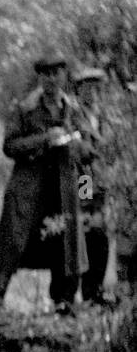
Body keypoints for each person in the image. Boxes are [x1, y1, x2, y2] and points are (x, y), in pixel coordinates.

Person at [0, 52, 94, 315]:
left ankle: (64, 302)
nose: (51, 79)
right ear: (39, 78)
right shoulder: (24, 108)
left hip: (64, 185)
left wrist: (74, 145)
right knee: (14, 237)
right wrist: (44, 139)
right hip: (28, 185)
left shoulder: (74, 108)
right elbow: (9, 146)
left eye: (56, 73)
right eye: (45, 74)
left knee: (66, 240)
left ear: (63, 76)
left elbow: (90, 149)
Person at [74, 67, 110, 304]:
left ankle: (96, 289)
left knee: (102, 230)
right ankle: (87, 291)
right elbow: (81, 150)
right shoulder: (75, 114)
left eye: (96, 88)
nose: (92, 93)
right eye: (87, 88)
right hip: (84, 177)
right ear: (79, 90)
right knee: (87, 229)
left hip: (102, 179)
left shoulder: (104, 116)